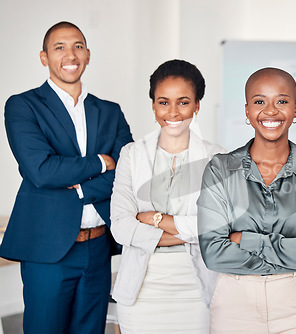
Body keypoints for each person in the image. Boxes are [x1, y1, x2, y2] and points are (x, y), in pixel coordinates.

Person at [0, 21, 133, 334]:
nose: (70, 54)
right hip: (48, 248)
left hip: (99, 247)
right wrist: (100, 163)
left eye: (77, 46)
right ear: (44, 57)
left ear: (87, 55)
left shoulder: (110, 111)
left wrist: (76, 189)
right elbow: (41, 171)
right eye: (59, 47)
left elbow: (128, 173)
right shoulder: (23, 106)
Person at [197, 67, 296, 334]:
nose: (271, 111)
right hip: (235, 305)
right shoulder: (221, 169)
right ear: (247, 110)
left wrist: (246, 239)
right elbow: (214, 253)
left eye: (282, 101)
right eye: (260, 101)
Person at [110, 59, 225, 333]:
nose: (173, 111)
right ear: (153, 106)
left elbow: (219, 226)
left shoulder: (216, 158)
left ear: (197, 105)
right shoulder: (132, 154)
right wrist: (190, 229)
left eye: (183, 102)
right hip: (141, 291)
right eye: (163, 102)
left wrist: (155, 218)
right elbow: (121, 227)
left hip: (197, 290)